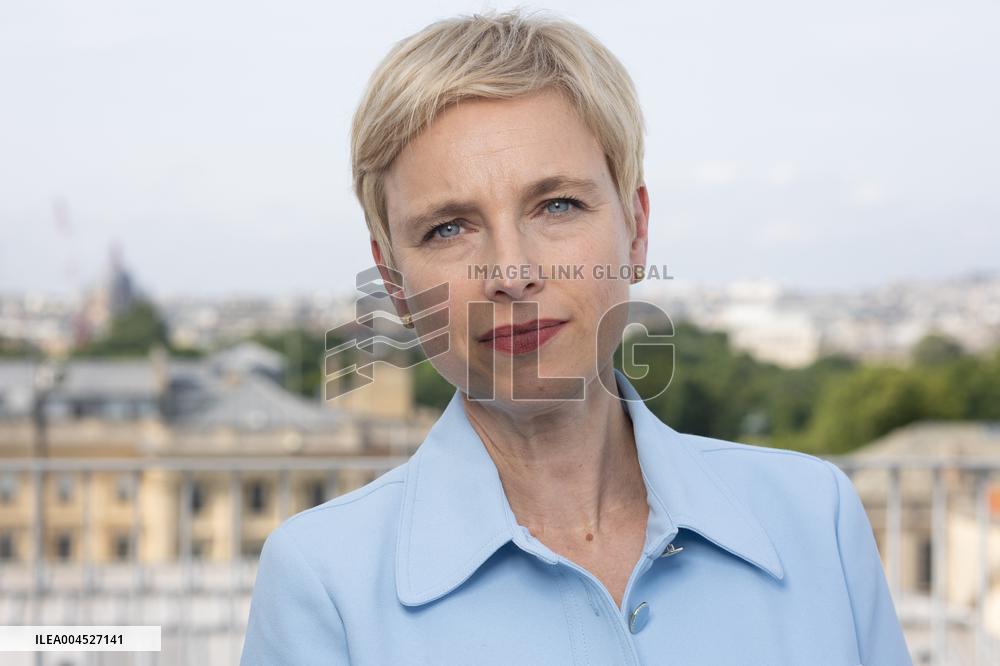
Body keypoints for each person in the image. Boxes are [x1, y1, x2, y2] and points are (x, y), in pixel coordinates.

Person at [240, 9, 912, 665]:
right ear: (392, 282)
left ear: (636, 228)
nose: (512, 272)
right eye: (448, 226)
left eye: (557, 205)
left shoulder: (816, 519)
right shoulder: (322, 582)